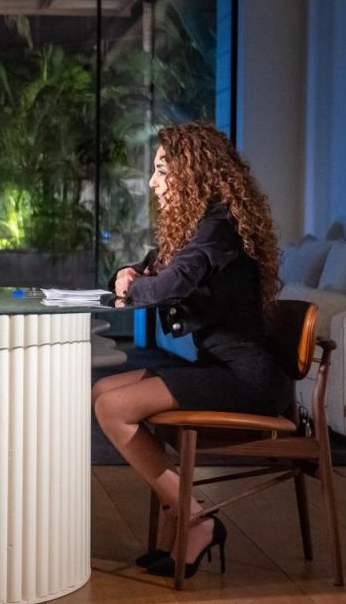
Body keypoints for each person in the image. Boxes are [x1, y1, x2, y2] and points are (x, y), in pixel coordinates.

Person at [93, 122, 288, 580]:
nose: (152, 182)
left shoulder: (220, 227)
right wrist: (126, 275)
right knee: (101, 391)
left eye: (162, 170)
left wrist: (135, 284)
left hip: (248, 380)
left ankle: (194, 519)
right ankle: (180, 515)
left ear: (194, 171)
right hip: (219, 368)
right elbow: (150, 271)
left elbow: (170, 284)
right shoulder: (201, 227)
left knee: (114, 408)